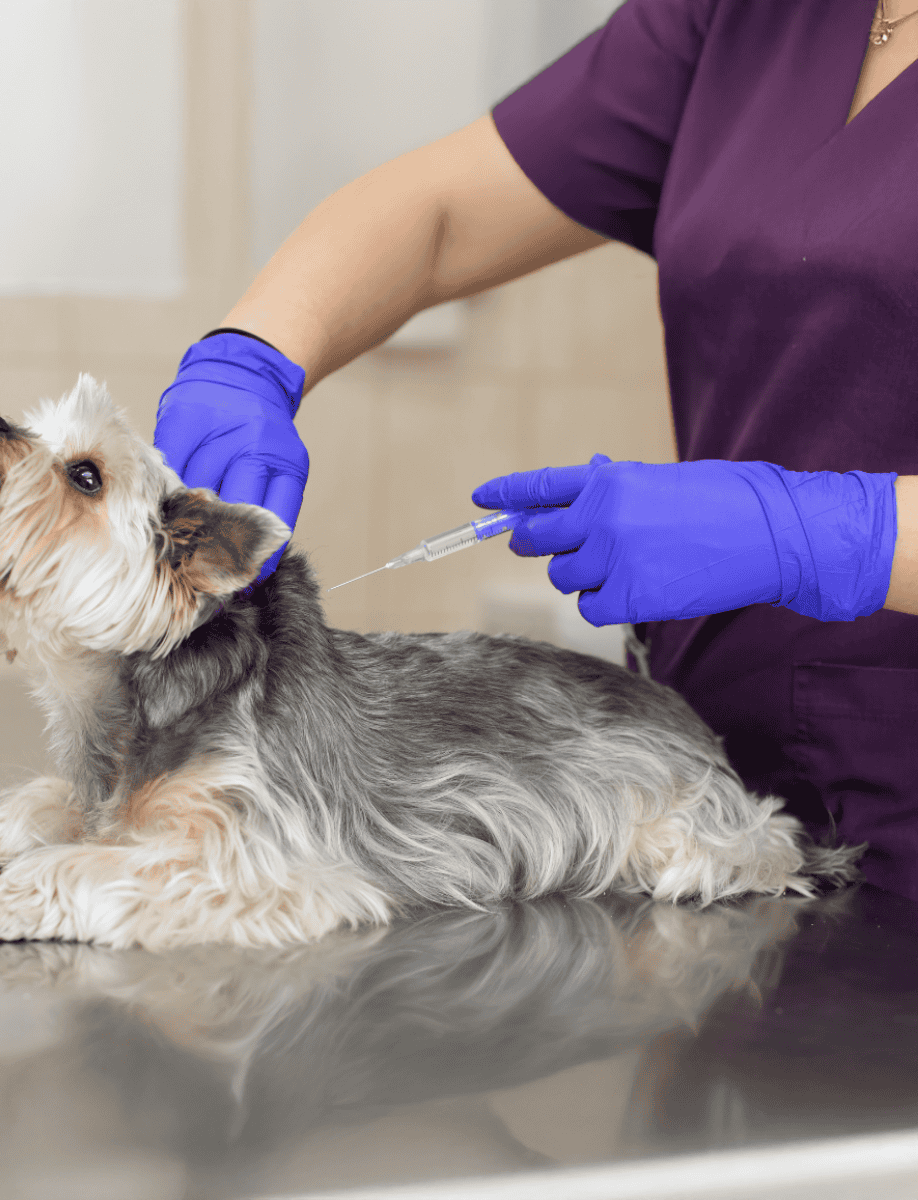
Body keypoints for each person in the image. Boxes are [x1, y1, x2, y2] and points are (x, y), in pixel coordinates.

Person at [154, 0, 918, 903]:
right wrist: (253, 355)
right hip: (712, 791)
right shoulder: (744, 18)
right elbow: (443, 210)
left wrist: (827, 532)